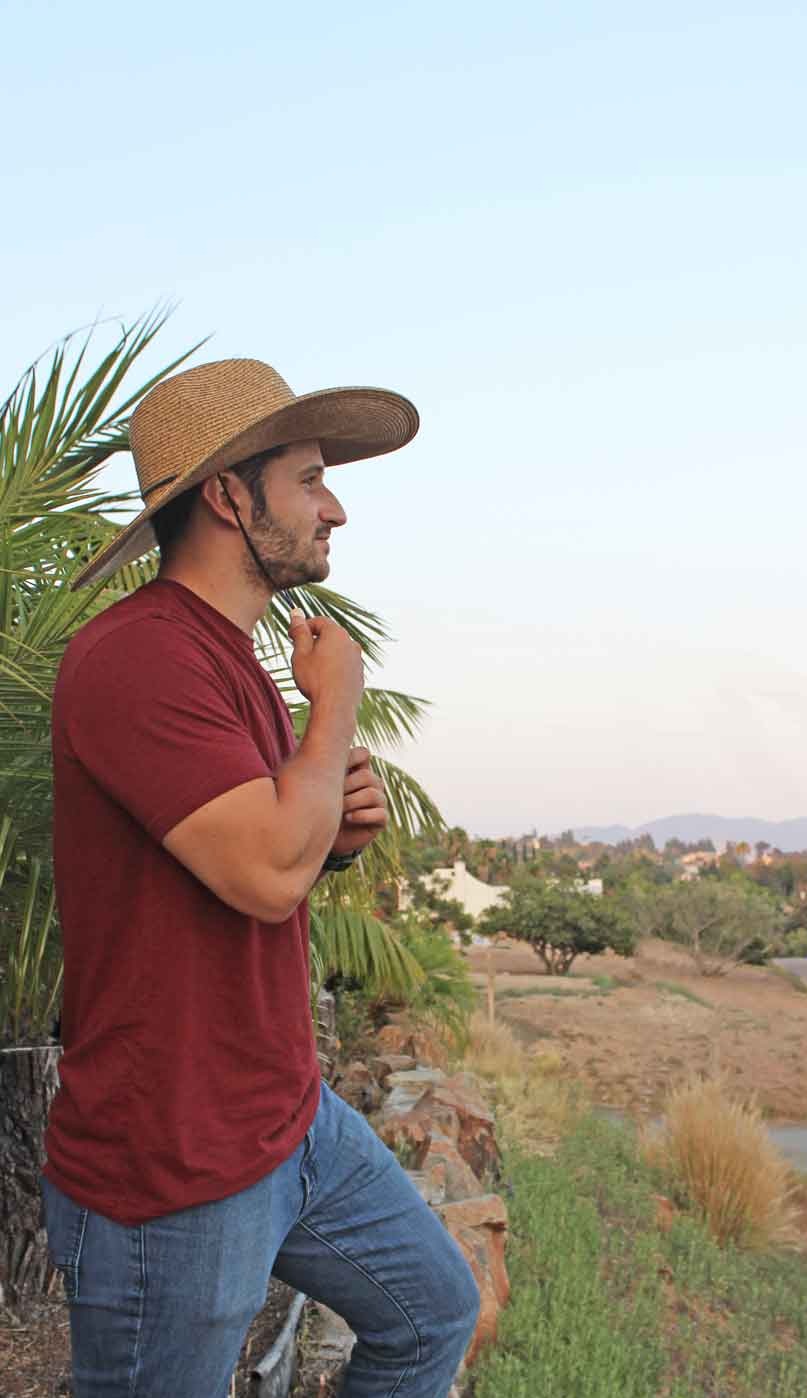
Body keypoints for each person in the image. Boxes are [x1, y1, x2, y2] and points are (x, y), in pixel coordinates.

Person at [42, 358, 480, 1398]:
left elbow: (252, 858)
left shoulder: (224, 655)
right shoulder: (137, 657)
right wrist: (334, 705)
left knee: (431, 1314)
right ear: (231, 496)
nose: (335, 509)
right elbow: (263, 876)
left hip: (281, 1116)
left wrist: (329, 833)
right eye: (310, 478)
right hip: (175, 1162)